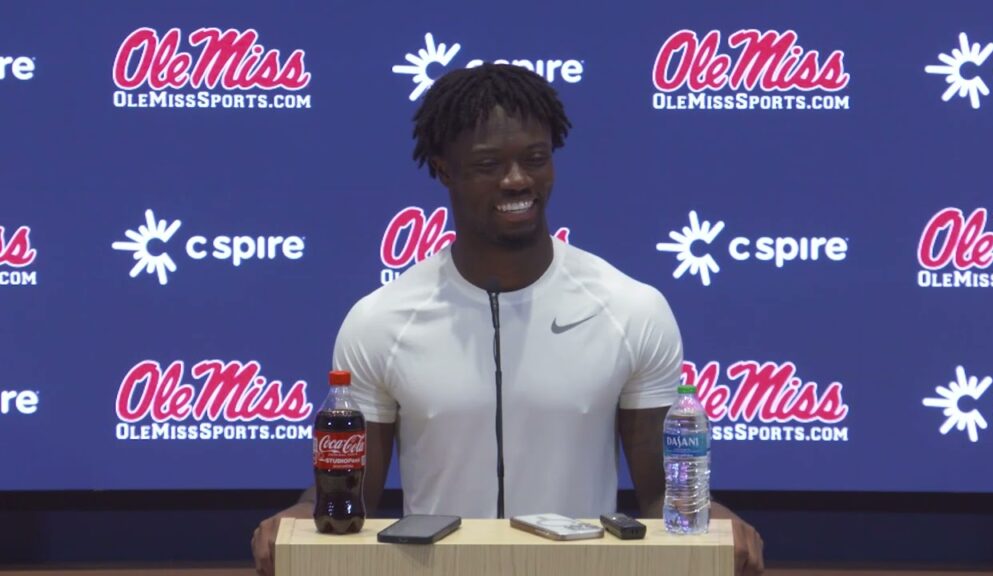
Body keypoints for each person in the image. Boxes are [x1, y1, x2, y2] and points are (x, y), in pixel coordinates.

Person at [252, 63, 765, 576]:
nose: (517, 179)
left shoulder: (631, 309)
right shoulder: (380, 322)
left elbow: (661, 496)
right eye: (488, 163)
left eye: (535, 159)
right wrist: (300, 517)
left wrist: (712, 520)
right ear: (442, 169)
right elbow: (350, 495)